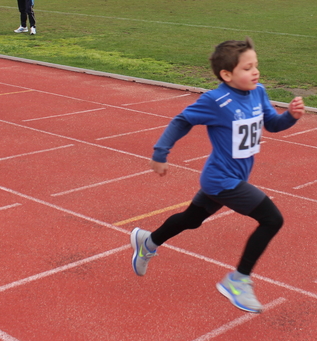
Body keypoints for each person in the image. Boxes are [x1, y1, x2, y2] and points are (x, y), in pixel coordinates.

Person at [130, 37, 305, 313]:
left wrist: (291, 116)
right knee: (272, 219)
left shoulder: (258, 92)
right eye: (247, 68)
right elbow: (182, 120)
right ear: (227, 74)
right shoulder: (215, 100)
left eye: (256, 65)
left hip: (232, 177)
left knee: (192, 219)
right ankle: (238, 280)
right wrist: (160, 154)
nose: (255, 72)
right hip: (222, 180)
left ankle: (148, 241)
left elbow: (272, 124)